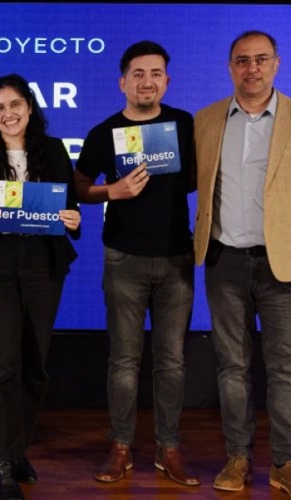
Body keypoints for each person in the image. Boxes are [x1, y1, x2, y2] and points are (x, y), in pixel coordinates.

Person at [194, 31, 291, 500]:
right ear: (230, 67)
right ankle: (238, 458)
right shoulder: (206, 119)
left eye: (261, 60)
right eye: (242, 61)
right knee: (231, 366)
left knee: (285, 368)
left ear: (276, 64)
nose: (252, 68)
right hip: (223, 262)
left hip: (288, 265)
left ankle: (286, 464)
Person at [73, 41, 199, 486]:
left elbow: (202, 179)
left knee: (172, 362)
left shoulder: (185, 125)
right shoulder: (104, 131)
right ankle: (121, 446)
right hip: (123, 258)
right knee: (124, 361)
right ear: (122, 81)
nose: (148, 81)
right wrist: (114, 192)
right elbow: (79, 186)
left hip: (176, 259)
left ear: (167, 80)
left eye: (156, 73)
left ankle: (169, 448)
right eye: (138, 73)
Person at [0, 74, 81, 500]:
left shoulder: (53, 151)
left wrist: (74, 218)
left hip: (43, 267)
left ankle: (17, 448)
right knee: (1, 367)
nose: (8, 114)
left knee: (34, 366)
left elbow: (68, 205)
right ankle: (1, 462)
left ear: (30, 107)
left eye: (15, 105)